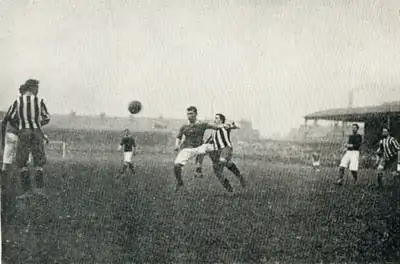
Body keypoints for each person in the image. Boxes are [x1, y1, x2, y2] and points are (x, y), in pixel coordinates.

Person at [6, 79, 50, 199]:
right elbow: (47, 117)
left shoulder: (18, 100)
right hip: (36, 132)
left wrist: (20, 126)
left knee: (22, 161)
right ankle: (40, 190)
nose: (37, 91)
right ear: (32, 88)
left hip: (23, 132)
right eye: (37, 89)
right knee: (39, 161)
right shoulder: (39, 101)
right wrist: (37, 124)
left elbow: (10, 117)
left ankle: (27, 191)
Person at [173, 106, 231, 192]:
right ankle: (180, 182)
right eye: (188, 114)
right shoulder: (184, 126)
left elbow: (216, 127)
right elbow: (179, 136)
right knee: (176, 166)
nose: (189, 116)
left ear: (196, 114)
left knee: (205, 149)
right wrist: (177, 145)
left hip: (199, 147)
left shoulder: (202, 124)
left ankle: (199, 168)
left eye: (191, 113)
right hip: (187, 149)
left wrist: (226, 125)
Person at [205, 113, 245, 192]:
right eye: (215, 118)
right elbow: (210, 141)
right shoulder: (213, 130)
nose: (214, 120)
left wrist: (233, 124)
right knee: (217, 173)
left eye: (216, 118)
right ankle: (229, 189)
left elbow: (238, 126)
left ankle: (239, 176)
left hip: (226, 148)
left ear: (221, 120)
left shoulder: (225, 126)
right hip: (217, 151)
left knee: (222, 160)